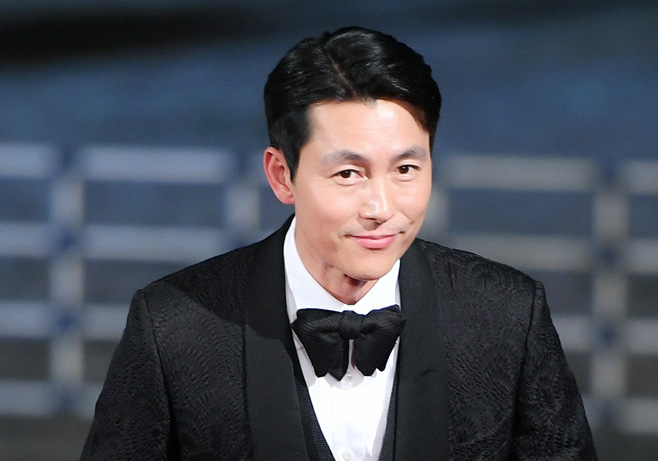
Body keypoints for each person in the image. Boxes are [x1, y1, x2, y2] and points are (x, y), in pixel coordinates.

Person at [80, 26, 596, 460]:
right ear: (282, 176)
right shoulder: (174, 329)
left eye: (406, 169)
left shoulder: (507, 316)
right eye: (349, 173)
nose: (381, 207)